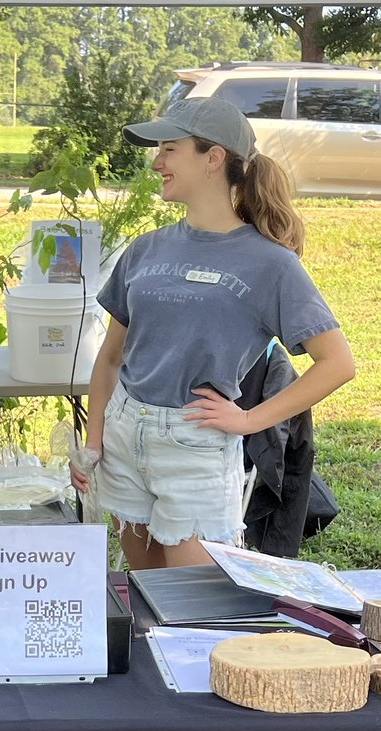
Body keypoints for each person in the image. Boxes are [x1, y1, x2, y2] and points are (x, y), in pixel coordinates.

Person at [70, 97, 354, 570]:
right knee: (145, 591)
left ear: (214, 157)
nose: (156, 162)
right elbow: (110, 359)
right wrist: (94, 440)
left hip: (195, 448)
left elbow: (338, 364)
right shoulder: (145, 250)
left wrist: (248, 420)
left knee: (195, 608)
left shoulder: (271, 264)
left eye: (169, 149)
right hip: (124, 436)